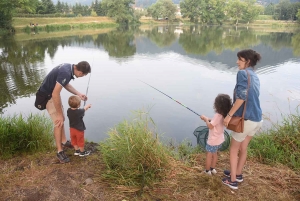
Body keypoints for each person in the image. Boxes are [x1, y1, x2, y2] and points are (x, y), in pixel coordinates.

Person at [222, 49, 263, 190]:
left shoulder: (242, 73)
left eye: (240, 59)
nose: (237, 62)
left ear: (248, 61)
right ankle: (238, 174)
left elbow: (241, 98)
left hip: (246, 120)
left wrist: (229, 115)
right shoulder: (254, 75)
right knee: (243, 147)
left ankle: (232, 181)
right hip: (257, 119)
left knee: (233, 150)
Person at [38, 61, 91, 163]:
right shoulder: (66, 72)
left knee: (62, 118)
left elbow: (65, 84)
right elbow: (55, 93)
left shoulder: (68, 68)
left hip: (52, 95)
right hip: (48, 97)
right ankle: (59, 151)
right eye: (84, 75)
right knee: (59, 122)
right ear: (80, 72)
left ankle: (64, 141)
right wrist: (59, 114)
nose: (82, 76)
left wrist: (78, 94)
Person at [200, 94, 232, 175]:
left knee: (209, 155)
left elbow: (210, 126)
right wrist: (208, 119)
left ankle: (207, 171)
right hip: (219, 140)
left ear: (217, 105)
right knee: (215, 154)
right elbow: (215, 122)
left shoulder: (217, 115)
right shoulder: (224, 115)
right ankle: (212, 169)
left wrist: (206, 120)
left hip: (213, 141)